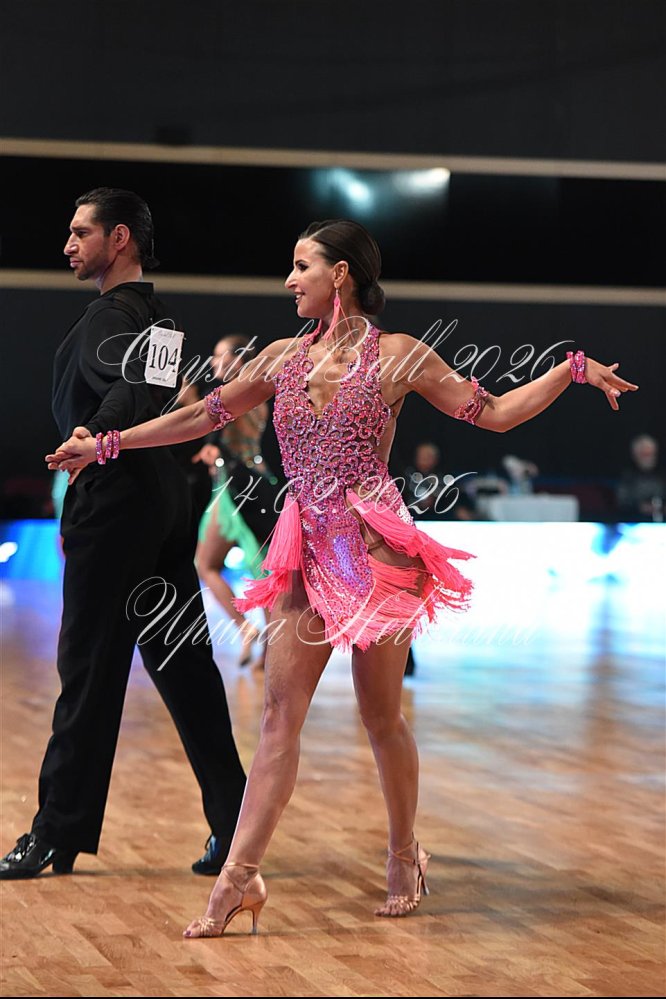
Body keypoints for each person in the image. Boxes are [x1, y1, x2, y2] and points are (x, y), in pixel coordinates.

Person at [47, 218, 638, 936]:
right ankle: (238, 878)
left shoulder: (399, 355)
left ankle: (403, 851)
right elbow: (200, 417)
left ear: (341, 274)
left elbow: (497, 414)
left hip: (376, 553)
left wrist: (570, 369)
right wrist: (109, 443)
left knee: (380, 717)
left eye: (301, 266)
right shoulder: (279, 359)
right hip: (305, 548)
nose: (288, 280)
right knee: (278, 717)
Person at [0, 188, 246, 883]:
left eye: (81, 232)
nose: (68, 245)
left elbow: (125, 396)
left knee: (88, 669)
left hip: (113, 504)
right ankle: (236, 824)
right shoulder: (161, 319)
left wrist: (95, 437)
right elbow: (146, 391)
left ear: (120, 239)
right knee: (187, 667)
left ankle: (56, 830)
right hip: (163, 501)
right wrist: (110, 429)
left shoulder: (109, 315)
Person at [194, 335, 280, 668]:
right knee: (253, 571)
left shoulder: (238, 393)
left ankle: (255, 636)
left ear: (239, 359)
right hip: (248, 482)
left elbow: (207, 419)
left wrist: (212, 446)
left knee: (231, 568)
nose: (212, 362)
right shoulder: (258, 393)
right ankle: (254, 636)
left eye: (219, 355)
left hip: (240, 487)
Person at [616, 433, 665, 522]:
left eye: (651, 453)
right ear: (635, 455)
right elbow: (622, 503)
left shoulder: (662, 475)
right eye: (644, 454)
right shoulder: (627, 477)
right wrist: (640, 508)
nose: (649, 458)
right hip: (633, 522)